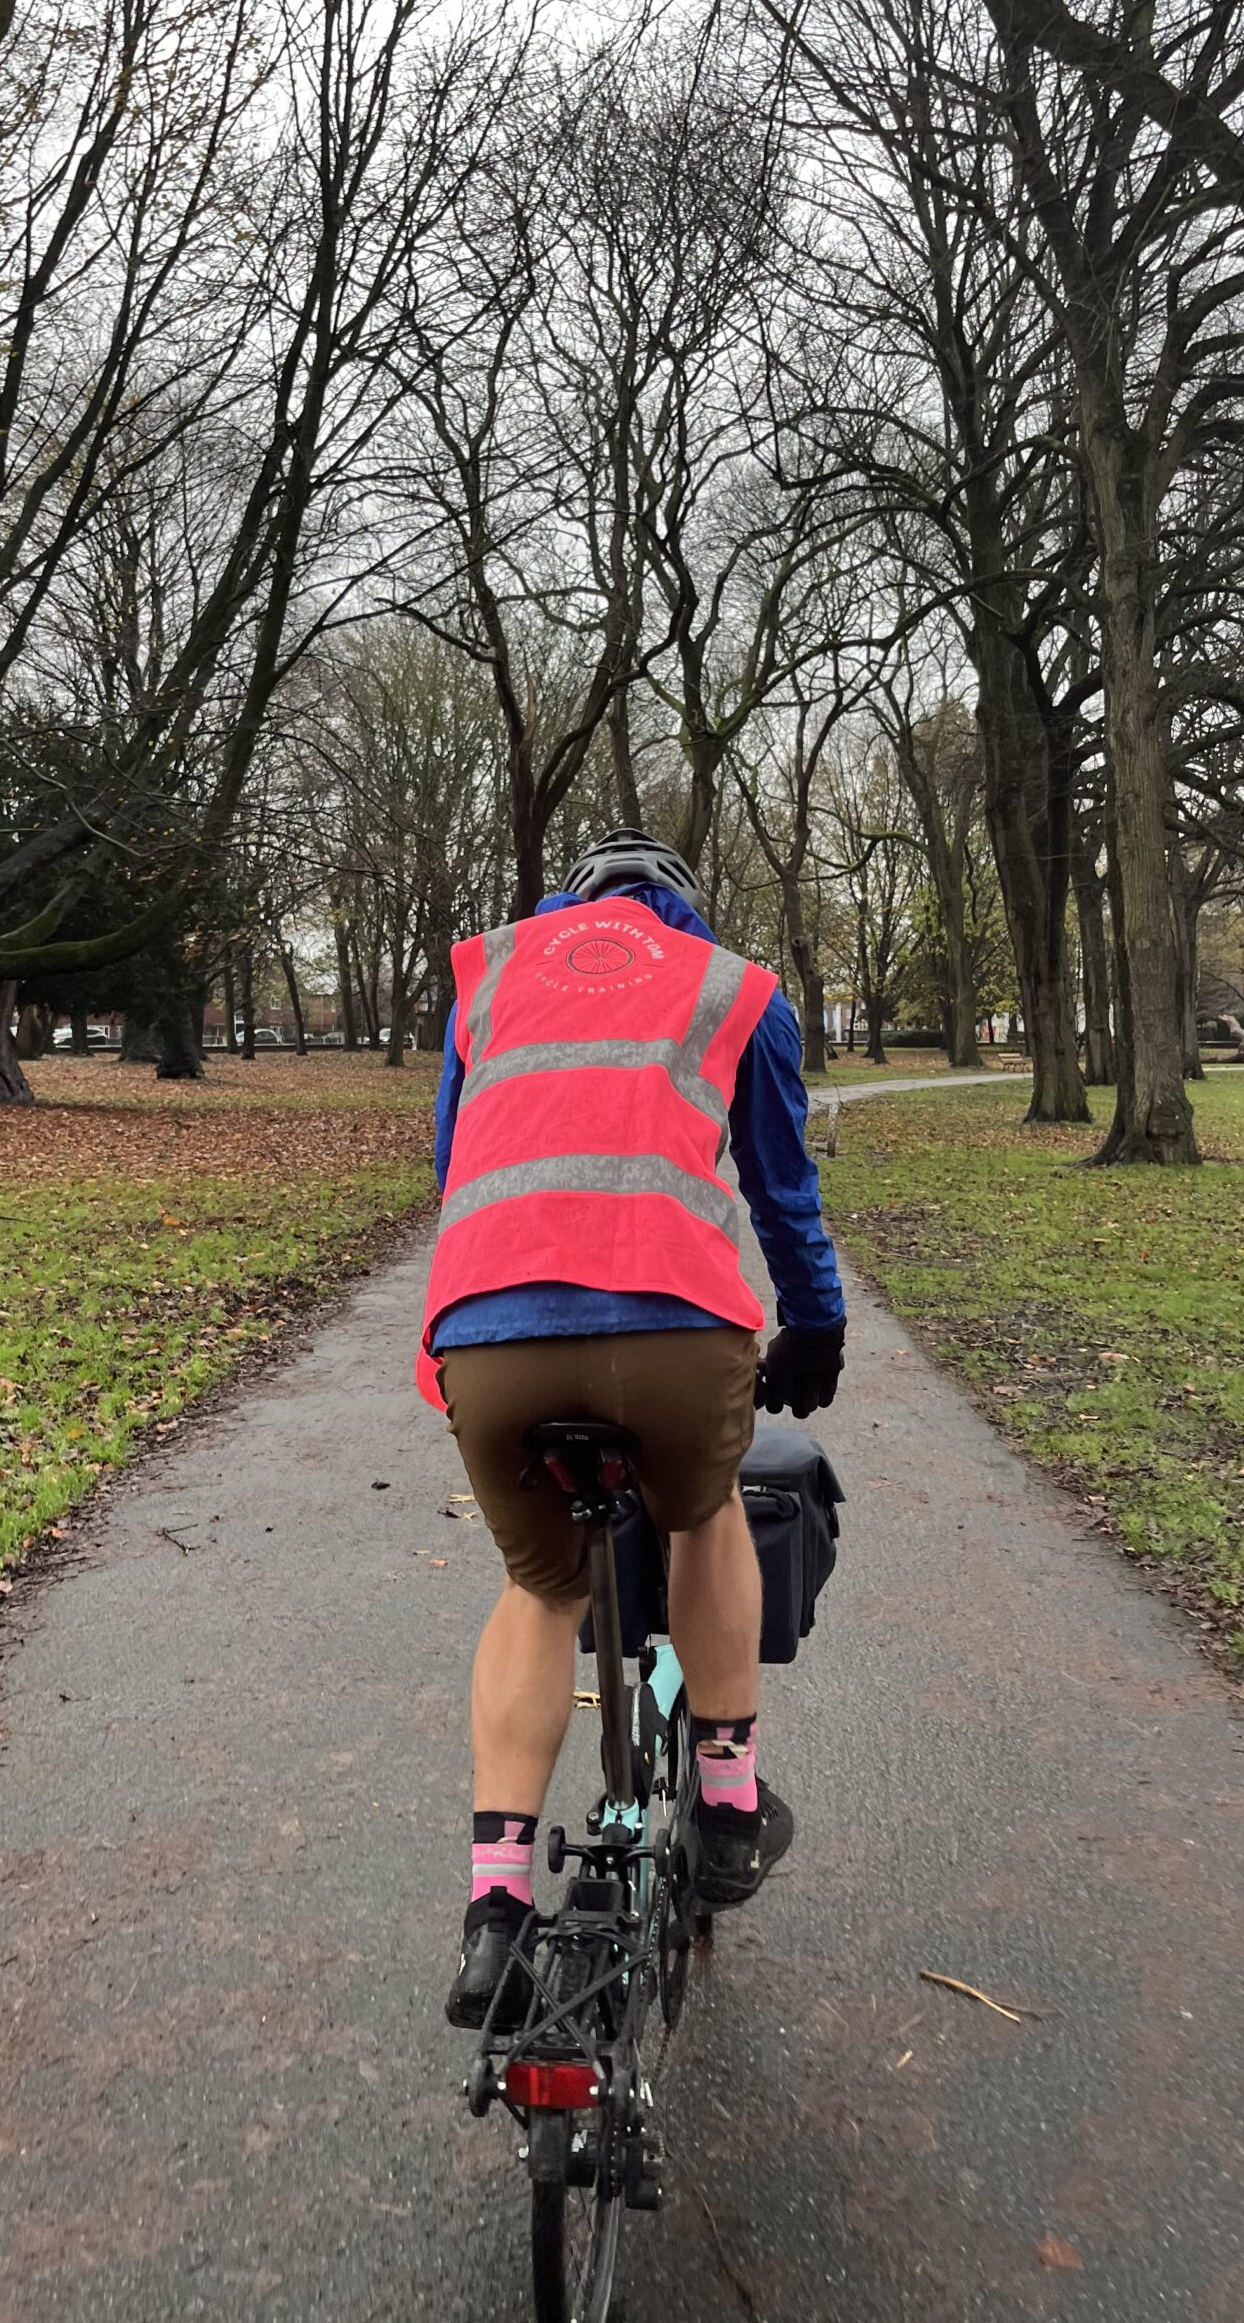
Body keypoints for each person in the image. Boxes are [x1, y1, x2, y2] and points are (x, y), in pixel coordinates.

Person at [421, 831, 846, 2030]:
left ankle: (496, 1911)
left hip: (492, 1330)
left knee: (539, 1586)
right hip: (677, 1332)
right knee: (704, 1512)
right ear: (685, 911)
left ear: (574, 901)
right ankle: (723, 1805)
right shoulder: (734, 987)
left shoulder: (488, 974)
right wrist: (815, 1321)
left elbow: (458, 1171)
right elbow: (780, 1187)